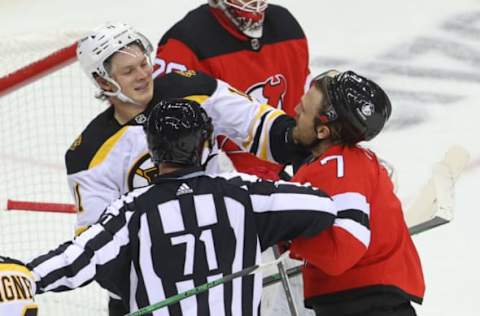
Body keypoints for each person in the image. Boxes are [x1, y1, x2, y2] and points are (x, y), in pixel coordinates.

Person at [13, 99, 340, 316]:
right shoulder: (242, 193)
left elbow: (76, 261)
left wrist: (23, 276)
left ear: (153, 153)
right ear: (204, 145)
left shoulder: (133, 210)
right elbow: (321, 206)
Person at [68, 21, 305, 315]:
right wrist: (154, 281)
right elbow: (98, 246)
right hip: (154, 287)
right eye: (129, 71)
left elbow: (261, 126)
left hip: (224, 260)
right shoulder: (89, 153)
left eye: (144, 63)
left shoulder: (193, 89)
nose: (144, 75)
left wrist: (306, 140)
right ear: (104, 82)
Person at [286, 70, 425, 315]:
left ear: (323, 131)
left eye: (305, 110)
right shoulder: (354, 162)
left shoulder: (340, 168)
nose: (296, 109)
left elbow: (341, 253)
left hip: (366, 305)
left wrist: (291, 235)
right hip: (374, 301)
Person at [154, 0, 311, 179]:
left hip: (281, 171)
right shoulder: (183, 42)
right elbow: (161, 128)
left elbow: (305, 99)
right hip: (217, 183)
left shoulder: (286, 25)